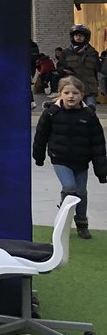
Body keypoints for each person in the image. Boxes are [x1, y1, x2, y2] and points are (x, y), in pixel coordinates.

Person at [33, 76, 106, 240]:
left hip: (81, 161)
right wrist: (38, 156)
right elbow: (41, 136)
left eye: (75, 93)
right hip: (60, 158)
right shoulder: (51, 113)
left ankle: (82, 223)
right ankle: (64, 219)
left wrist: (101, 170)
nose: (71, 96)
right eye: (66, 92)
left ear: (82, 95)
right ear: (60, 94)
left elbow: (98, 144)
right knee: (69, 187)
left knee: (81, 192)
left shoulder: (89, 115)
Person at [58, 23, 100, 108]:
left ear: (86, 37)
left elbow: (97, 70)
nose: (78, 37)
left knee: (90, 110)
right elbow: (59, 67)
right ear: (72, 37)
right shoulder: (66, 52)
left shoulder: (93, 53)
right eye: (76, 35)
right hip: (72, 88)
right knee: (73, 111)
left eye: (81, 35)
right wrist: (64, 71)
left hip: (90, 88)